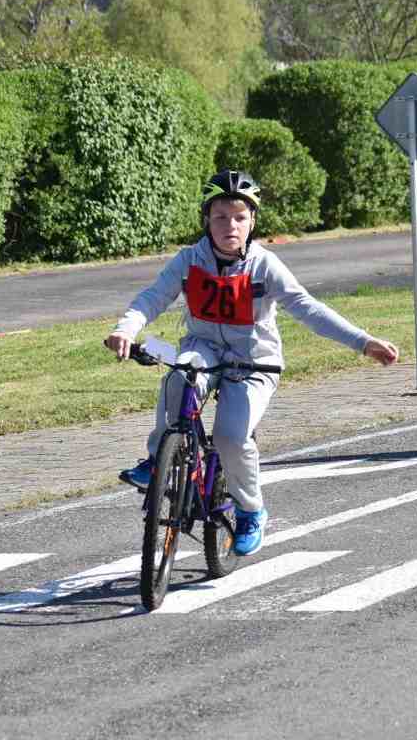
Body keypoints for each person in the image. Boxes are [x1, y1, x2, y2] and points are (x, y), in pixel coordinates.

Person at [104, 170, 400, 556]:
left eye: (239, 217)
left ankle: (250, 511)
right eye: (220, 217)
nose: (230, 225)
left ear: (253, 222)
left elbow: (308, 308)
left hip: (254, 361)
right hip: (204, 349)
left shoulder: (264, 265)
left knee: (230, 436)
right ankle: (159, 461)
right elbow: (152, 297)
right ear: (207, 222)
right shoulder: (189, 260)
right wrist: (126, 329)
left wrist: (363, 342)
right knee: (179, 381)